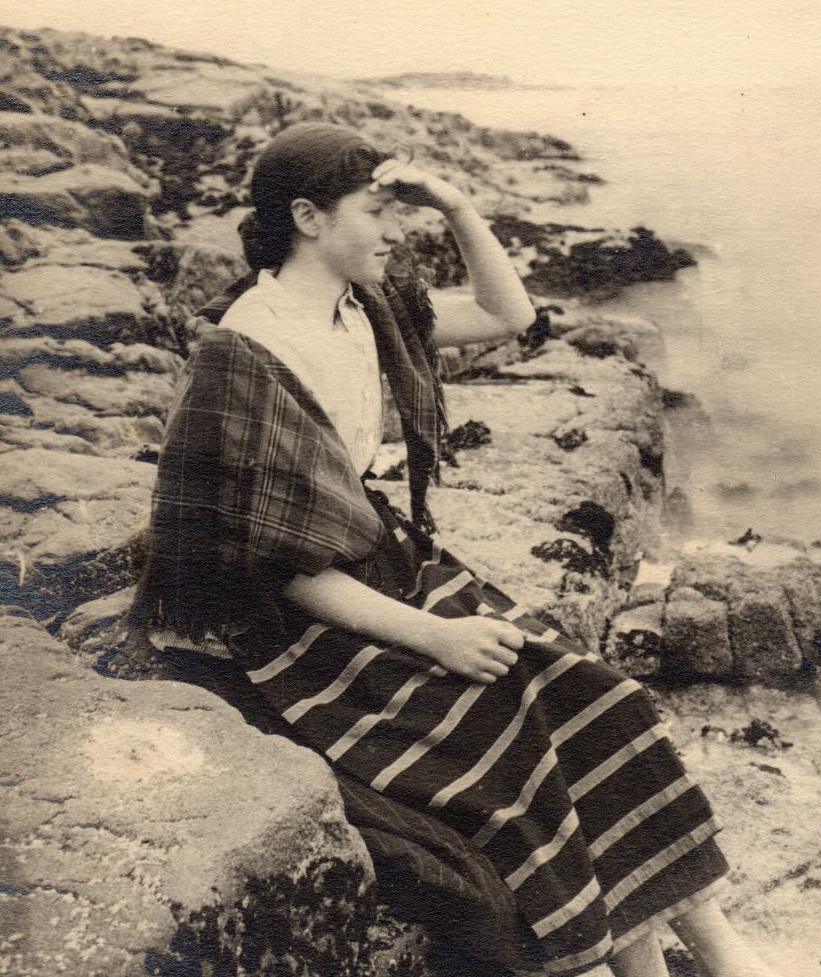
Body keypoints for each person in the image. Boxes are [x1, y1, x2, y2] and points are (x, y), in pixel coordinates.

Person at [135, 122, 777, 977]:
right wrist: (433, 634)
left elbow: (510, 315)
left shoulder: (365, 306)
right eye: (377, 212)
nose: (397, 232)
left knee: (596, 702)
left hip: (370, 564)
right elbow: (275, 566)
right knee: (523, 737)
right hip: (274, 619)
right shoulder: (249, 348)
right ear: (308, 217)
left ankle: (702, 951)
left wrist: (459, 204)